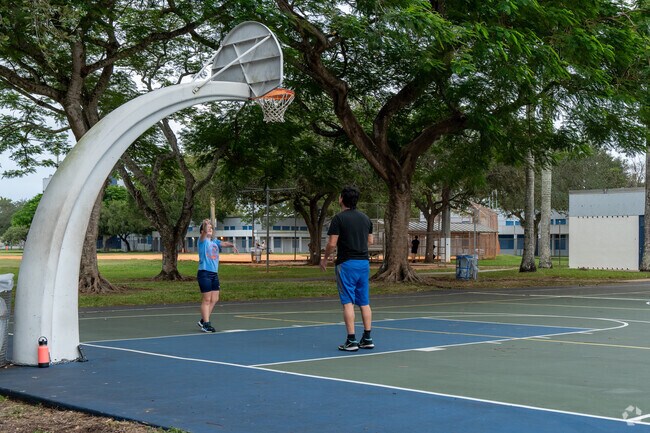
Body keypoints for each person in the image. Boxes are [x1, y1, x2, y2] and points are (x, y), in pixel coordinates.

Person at [321, 186, 374, 351]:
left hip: (347, 263)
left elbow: (331, 243)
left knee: (348, 302)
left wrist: (325, 258)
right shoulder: (366, 219)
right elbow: (370, 241)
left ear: (342, 199)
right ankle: (367, 338)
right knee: (364, 302)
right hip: (363, 263)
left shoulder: (339, 219)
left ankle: (351, 340)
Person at [196, 219, 238, 332]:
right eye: (208, 228)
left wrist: (232, 244)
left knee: (215, 299)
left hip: (214, 274)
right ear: (202, 231)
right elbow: (205, 232)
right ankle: (206, 324)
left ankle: (203, 320)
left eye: (211, 228)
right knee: (207, 299)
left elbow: (224, 243)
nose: (210, 229)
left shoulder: (214, 242)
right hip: (204, 273)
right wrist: (205, 224)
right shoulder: (202, 241)